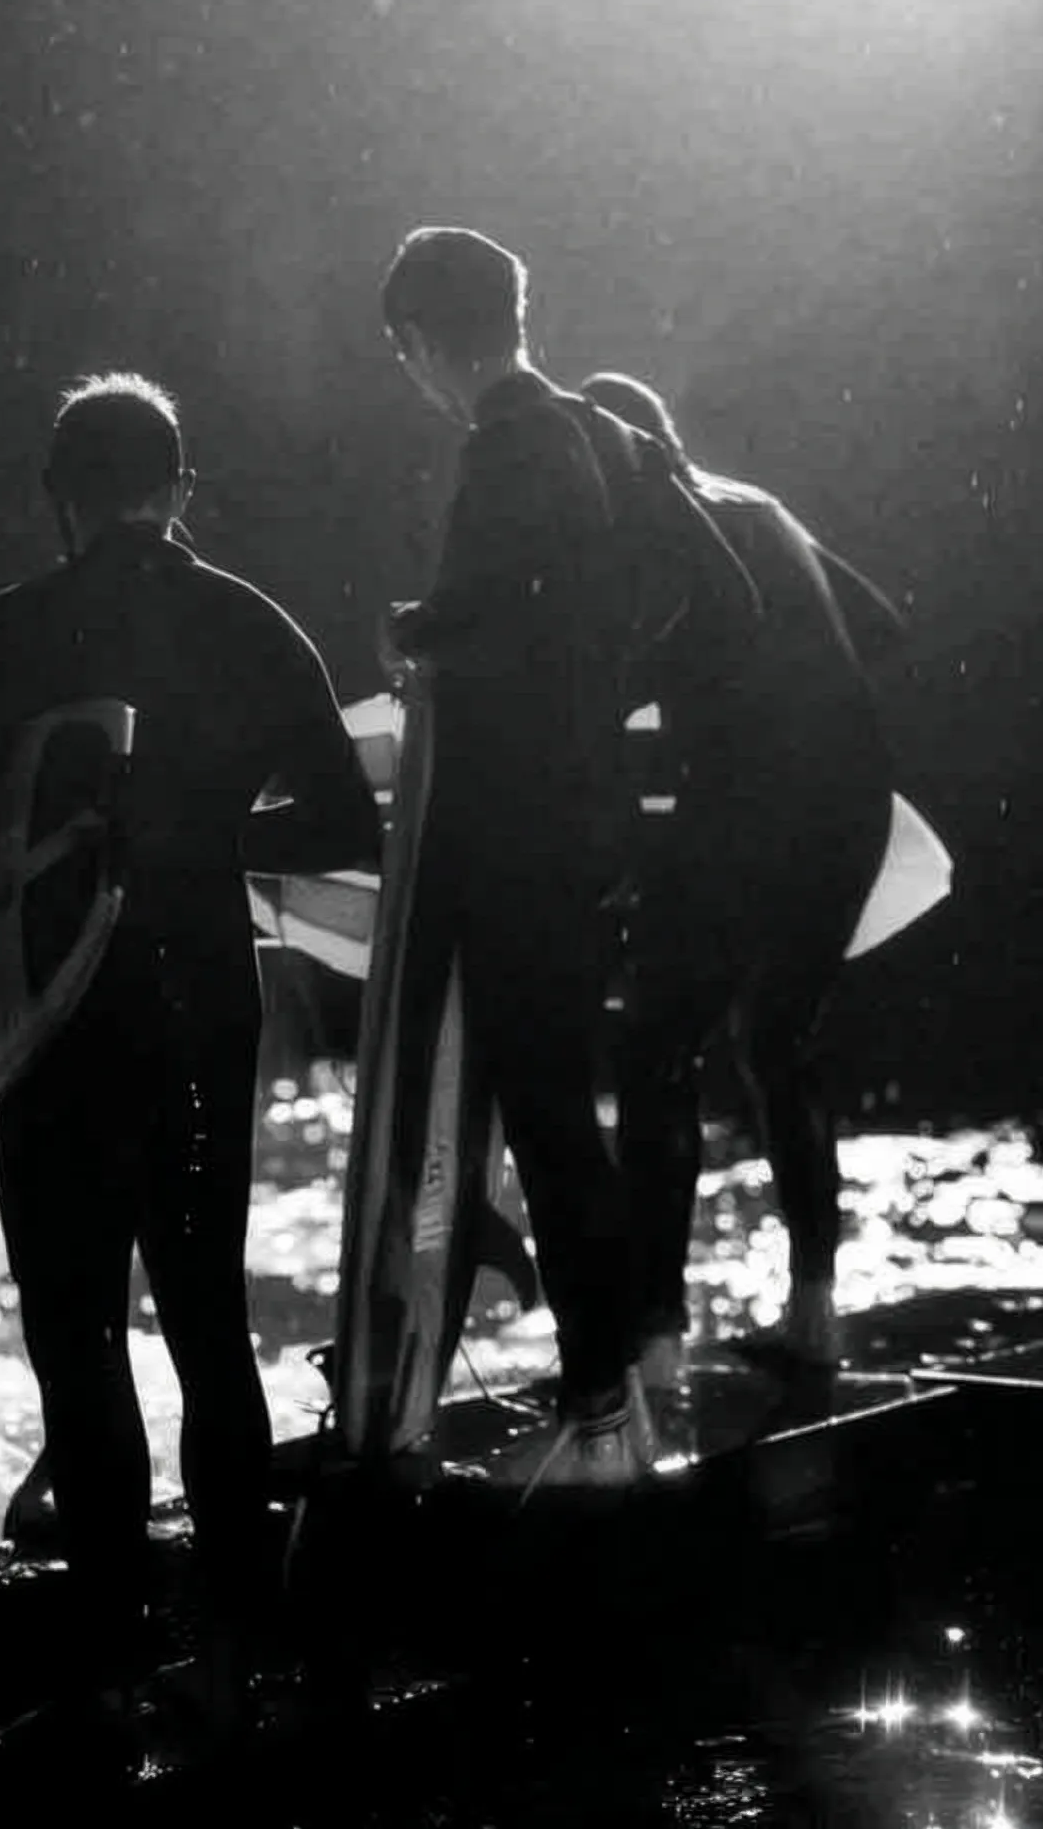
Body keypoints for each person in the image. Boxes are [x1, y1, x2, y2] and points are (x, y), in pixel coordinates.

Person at [0, 373, 381, 1724]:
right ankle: (247, 1633)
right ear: (179, 489)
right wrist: (210, 836)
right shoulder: (253, 624)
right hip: (207, 1005)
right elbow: (349, 827)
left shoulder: (20, 629)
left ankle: (110, 1642)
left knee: (77, 1326)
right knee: (209, 1319)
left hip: (65, 1016)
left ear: (60, 497)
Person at [376, 228, 758, 1489]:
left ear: (429, 342)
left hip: (515, 831)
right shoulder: (609, 433)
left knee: (545, 1119)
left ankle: (600, 1417)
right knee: (554, 1112)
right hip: (594, 824)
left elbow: (486, 624)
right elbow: (723, 590)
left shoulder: (503, 452)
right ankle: (612, 1398)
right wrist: (606, 681)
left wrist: (418, 632)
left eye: (410, 356)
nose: (417, 382)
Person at [580, 371, 903, 1382]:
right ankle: (815, 1317)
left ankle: (657, 1342)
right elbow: (884, 627)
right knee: (777, 1039)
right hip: (852, 810)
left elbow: (614, 680)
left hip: (743, 819)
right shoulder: (757, 506)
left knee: (650, 1054)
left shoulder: (644, 530)